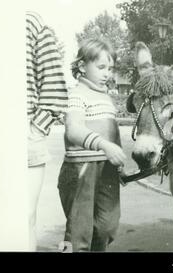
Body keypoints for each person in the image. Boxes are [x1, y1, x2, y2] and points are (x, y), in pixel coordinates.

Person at [57, 38, 126, 252]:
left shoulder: (106, 98)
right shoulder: (77, 94)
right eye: (101, 67)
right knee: (77, 233)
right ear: (82, 66)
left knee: (106, 228)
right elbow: (74, 129)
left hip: (107, 171)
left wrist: (120, 162)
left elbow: (113, 134)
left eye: (110, 68)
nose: (107, 73)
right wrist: (104, 146)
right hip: (80, 171)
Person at [26, 11, 68, 251]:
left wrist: (34, 130)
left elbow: (54, 86)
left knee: (22, 219)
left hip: (22, 134)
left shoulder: (30, 22)